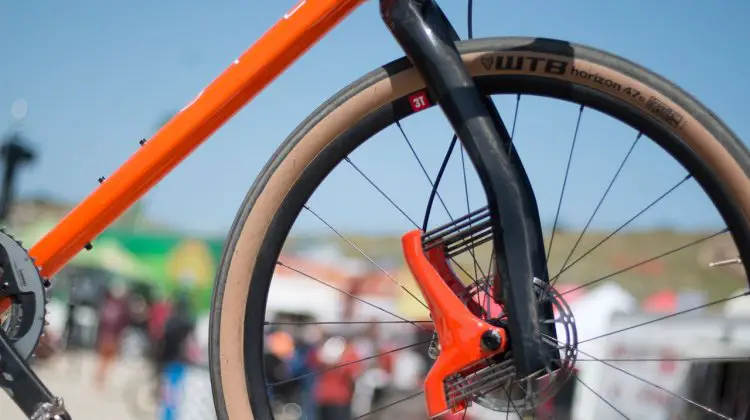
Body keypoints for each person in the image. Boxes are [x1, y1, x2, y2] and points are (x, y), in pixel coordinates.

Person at [94, 283, 131, 389]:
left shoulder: (109, 306)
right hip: (111, 337)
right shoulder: (120, 309)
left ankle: (101, 380)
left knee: (105, 361)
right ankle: (101, 380)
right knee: (106, 361)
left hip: (109, 337)